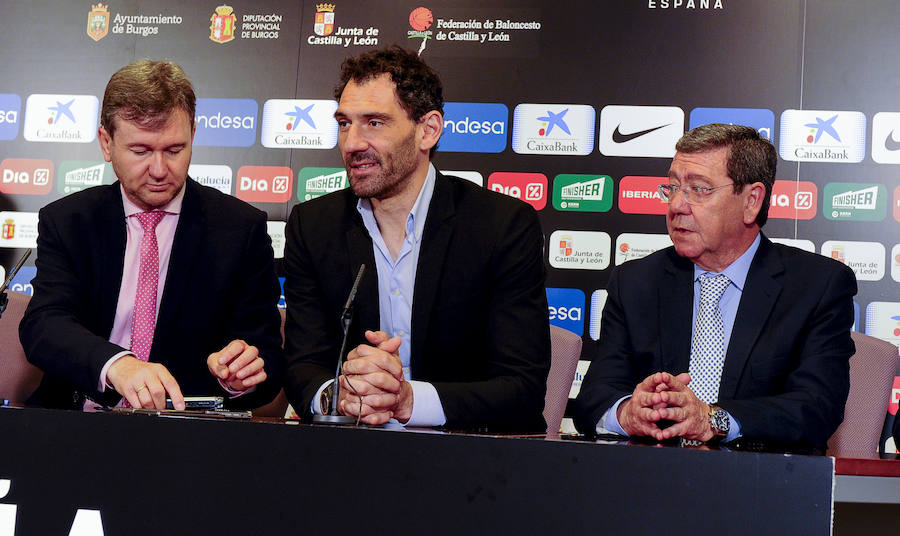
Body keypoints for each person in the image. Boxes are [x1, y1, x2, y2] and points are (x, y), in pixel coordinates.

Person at [283, 46, 550, 432]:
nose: (352, 143)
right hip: (347, 456)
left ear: (428, 130)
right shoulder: (313, 224)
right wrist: (337, 396)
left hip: (468, 461)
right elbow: (302, 364)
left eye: (374, 123)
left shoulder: (502, 225)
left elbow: (521, 387)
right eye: (344, 123)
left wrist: (407, 400)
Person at [573, 123, 857, 449]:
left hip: (762, 486)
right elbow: (593, 398)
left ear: (751, 201)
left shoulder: (816, 286)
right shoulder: (636, 282)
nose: (677, 205)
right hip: (650, 481)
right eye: (673, 187)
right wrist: (627, 413)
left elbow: (816, 408)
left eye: (699, 189)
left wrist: (713, 419)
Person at [19, 60, 283, 411]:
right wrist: (118, 366)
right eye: (141, 151)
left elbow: (266, 358)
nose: (159, 170)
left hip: (185, 435)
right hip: (76, 423)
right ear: (106, 143)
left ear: (193, 135)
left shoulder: (240, 229)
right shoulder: (69, 221)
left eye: (175, 150)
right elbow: (44, 325)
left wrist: (239, 377)